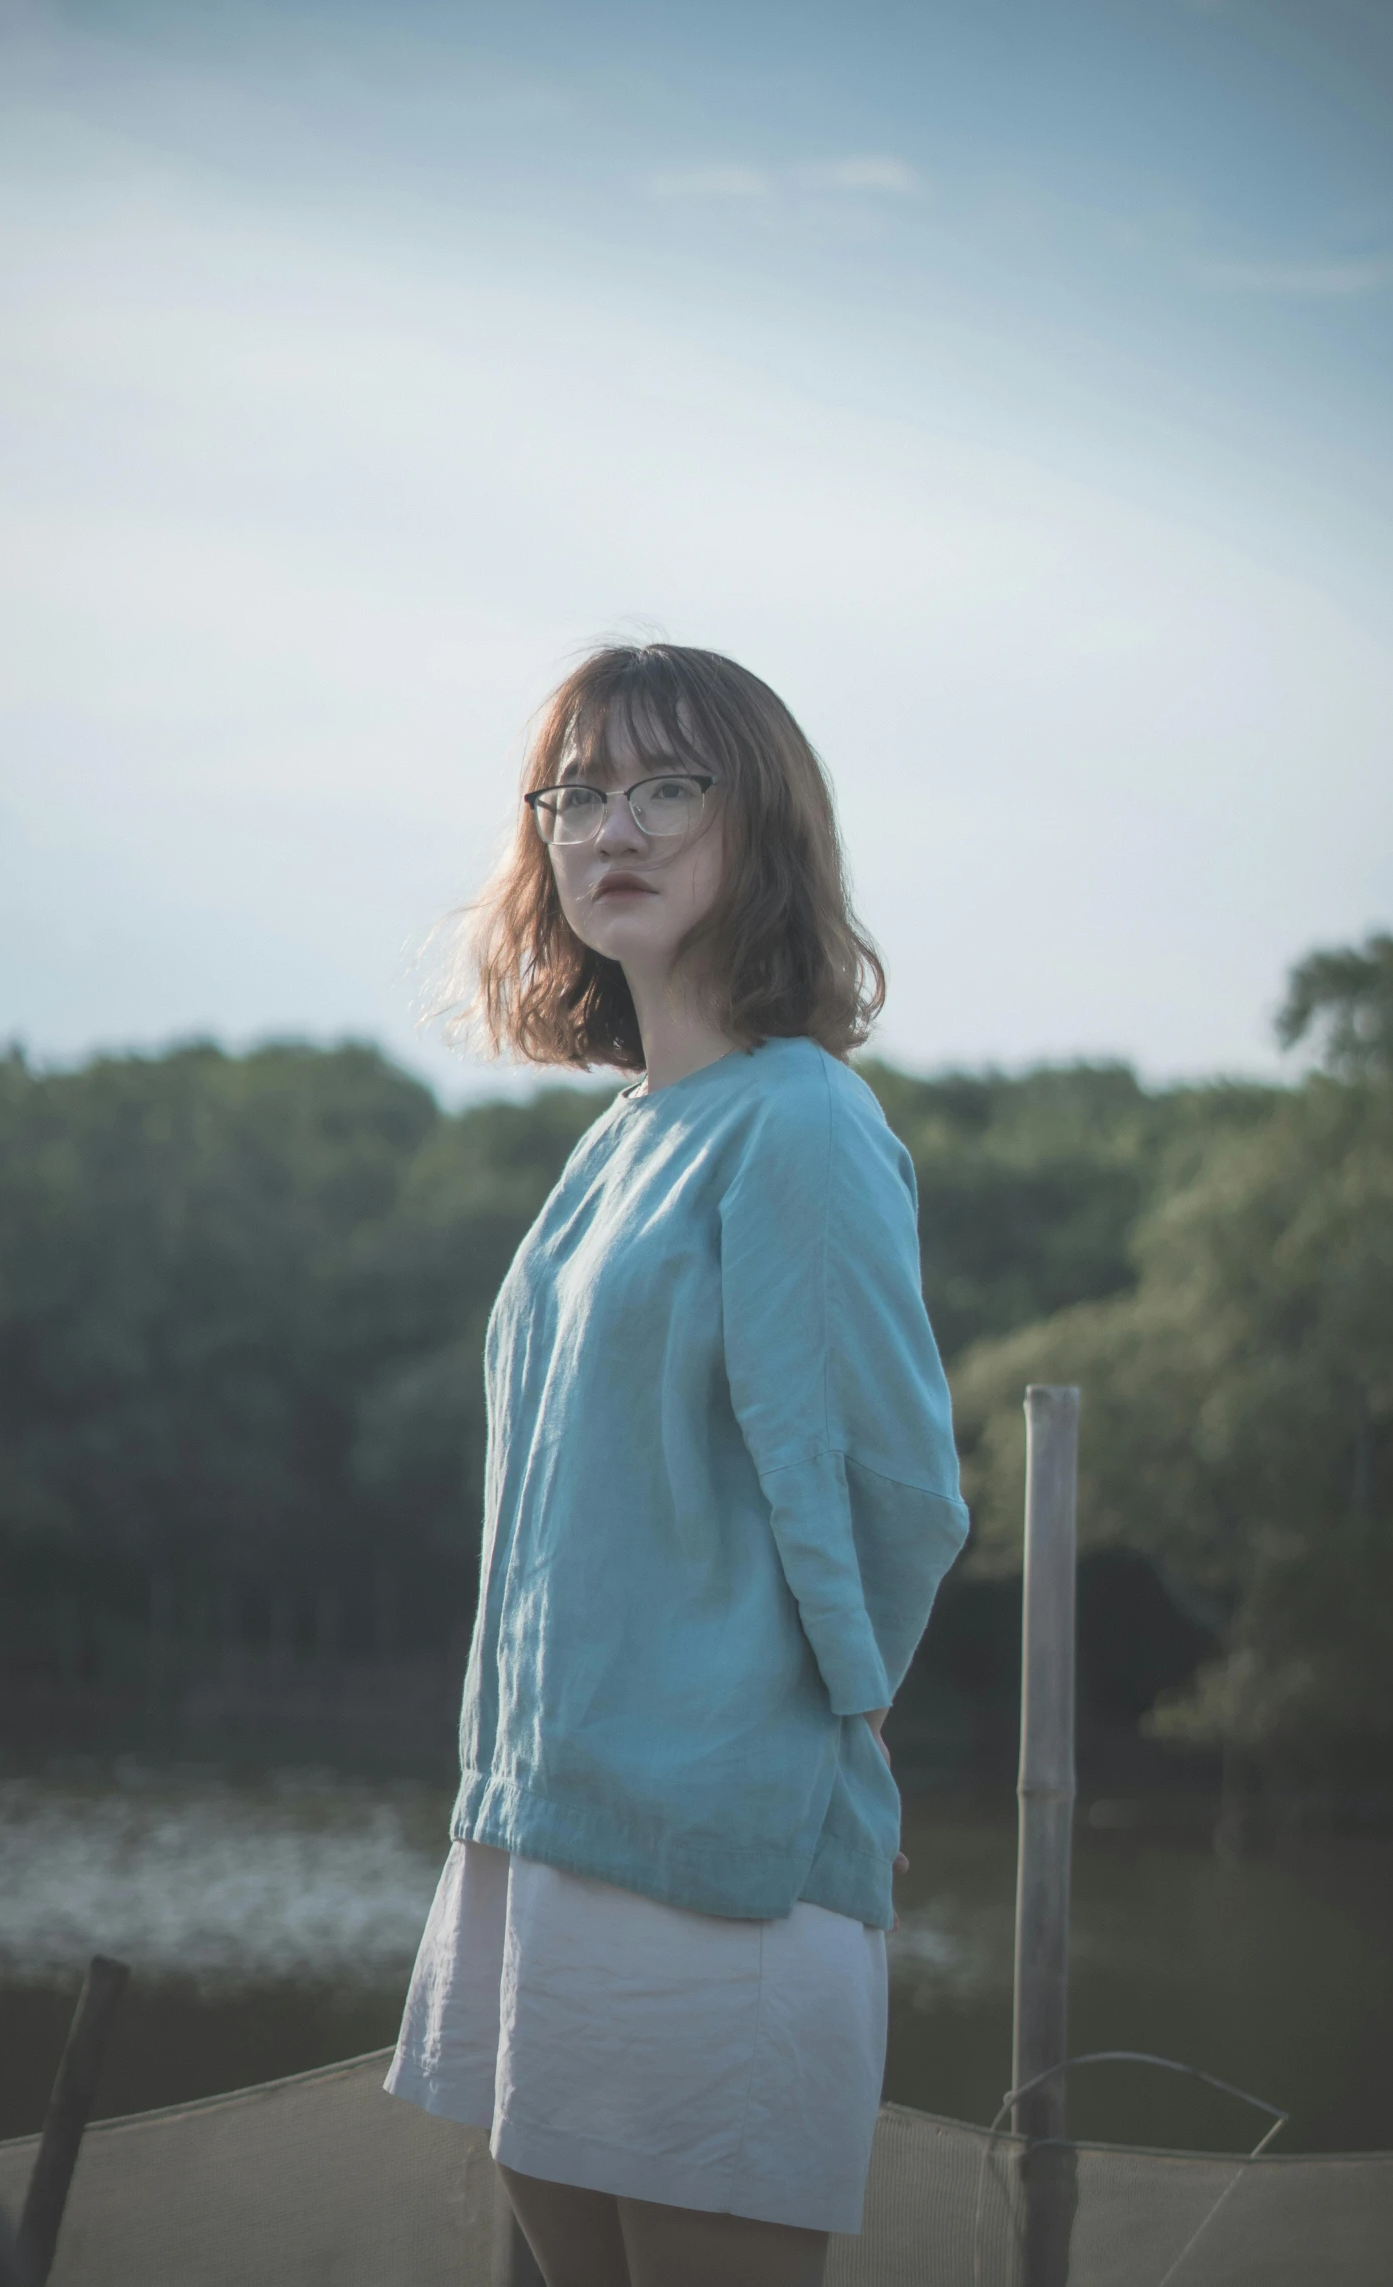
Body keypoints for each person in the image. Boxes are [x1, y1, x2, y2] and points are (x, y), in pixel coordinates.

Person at [385, 643, 968, 2286]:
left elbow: (889, 1487)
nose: (610, 826)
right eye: (577, 792)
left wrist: (827, 1734)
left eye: (664, 786)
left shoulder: (803, 1119)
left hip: (717, 1853)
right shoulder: (615, 1140)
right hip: (544, 1829)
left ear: (756, 823)